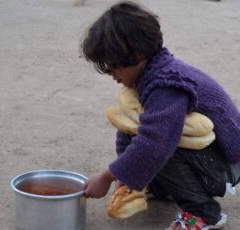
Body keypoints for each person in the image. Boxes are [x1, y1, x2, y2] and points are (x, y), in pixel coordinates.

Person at [80, 1, 240, 229]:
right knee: (136, 126)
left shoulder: (166, 84)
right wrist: (129, 177)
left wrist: (108, 176)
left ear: (136, 54)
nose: (110, 73)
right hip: (207, 158)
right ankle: (157, 186)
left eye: (113, 65)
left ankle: (204, 213)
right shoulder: (147, 75)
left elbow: (157, 144)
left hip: (224, 166)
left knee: (159, 142)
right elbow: (128, 131)